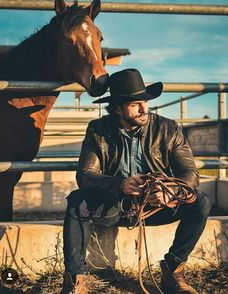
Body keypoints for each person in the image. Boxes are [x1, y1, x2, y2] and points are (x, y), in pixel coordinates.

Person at [61, 68, 211, 294]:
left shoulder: (168, 128)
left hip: (156, 206)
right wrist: (119, 184)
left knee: (200, 202)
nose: (144, 109)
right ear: (118, 108)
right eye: (135, 104)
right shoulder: (97, 129)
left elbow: (190, 173)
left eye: (145, 102)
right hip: (113, 206)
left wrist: (169, 190)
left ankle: (172, 269)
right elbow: (85, 175)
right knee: (76, 201)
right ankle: (75, 279)